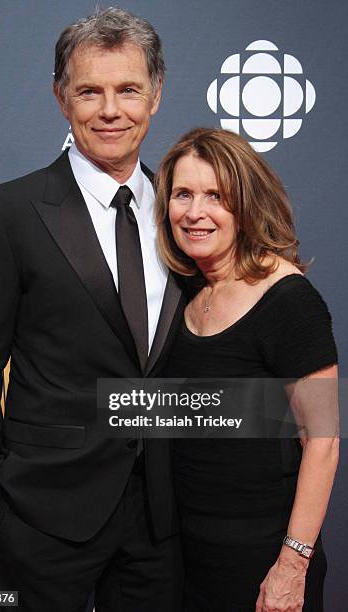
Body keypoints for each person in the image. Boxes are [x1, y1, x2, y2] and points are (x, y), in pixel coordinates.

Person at [0, 8, 184, 612]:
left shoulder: (185, 214)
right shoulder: (8, 213)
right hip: (42, 512)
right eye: (90, 91)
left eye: (129, 89)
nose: (111, 110)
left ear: (156, 95)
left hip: (164, 515)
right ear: (61, 98)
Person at [155, 127, 339, 612]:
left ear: (246, 203)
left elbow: (322, 441)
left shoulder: (289, 298)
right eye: (183, 194)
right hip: (189, 555)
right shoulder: (184, 293)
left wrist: (291, 566)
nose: (195, 212)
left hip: (264, 561)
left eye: (216, 195)